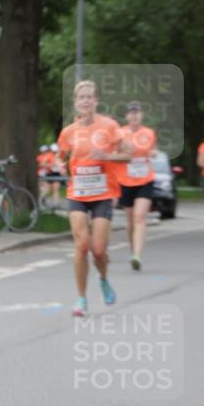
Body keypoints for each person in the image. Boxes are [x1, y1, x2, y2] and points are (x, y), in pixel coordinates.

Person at [57, 80, 130, 316]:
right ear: (76, 102)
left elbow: (128, 154)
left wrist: (108, 155)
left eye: (90, 97)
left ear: (96, 101)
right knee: (81, 245)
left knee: (98, 250)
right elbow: (60, 156)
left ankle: (104, 278)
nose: (86, 101)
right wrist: (59, 165)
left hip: (103, 194)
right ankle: (81, 299)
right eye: (81, 97)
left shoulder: (109, 126)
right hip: (77, 193)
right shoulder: (69, 132)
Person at [117, 102, 157, 270]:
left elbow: (154, 150)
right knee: (130, 221)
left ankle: (137, 256)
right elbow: (115, 154)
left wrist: (153, 153)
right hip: (125, 181)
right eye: (131, 113)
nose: (134, 116)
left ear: (142, 115)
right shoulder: (119, 133)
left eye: (137, 112)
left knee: (140, 216)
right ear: (127, 116)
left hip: (145, 180)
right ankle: (132, 250)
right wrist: (124, 153)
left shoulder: (149, 133)